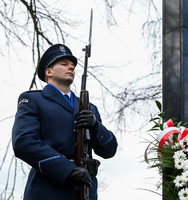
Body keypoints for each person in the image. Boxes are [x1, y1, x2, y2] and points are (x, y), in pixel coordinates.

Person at [12, 44, 118, 200]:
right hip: (47, 190)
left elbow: (109, 150)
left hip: (85, 191)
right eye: (64, 64)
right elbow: (23, 142)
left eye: (73, 65)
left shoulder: (89, 108)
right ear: (49, 72)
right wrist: (67, 169)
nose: (71, 67)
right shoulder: (33, 100)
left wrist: (96, 127)